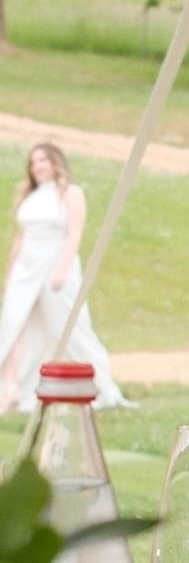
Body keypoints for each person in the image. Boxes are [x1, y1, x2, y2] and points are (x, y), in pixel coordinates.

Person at [0, 143, 133, 413]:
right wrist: (10, 274)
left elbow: (74, 232)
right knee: (14, 326)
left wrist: (61, 269)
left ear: (55, 162)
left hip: (55, 266)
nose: (37, 166)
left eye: (43, 160)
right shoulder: (30, 197)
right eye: (33, 162)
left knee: (69, 327)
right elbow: (20, 238)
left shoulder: (71, 193)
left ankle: (97, 385)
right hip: (26, 270)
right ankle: (12, 387)